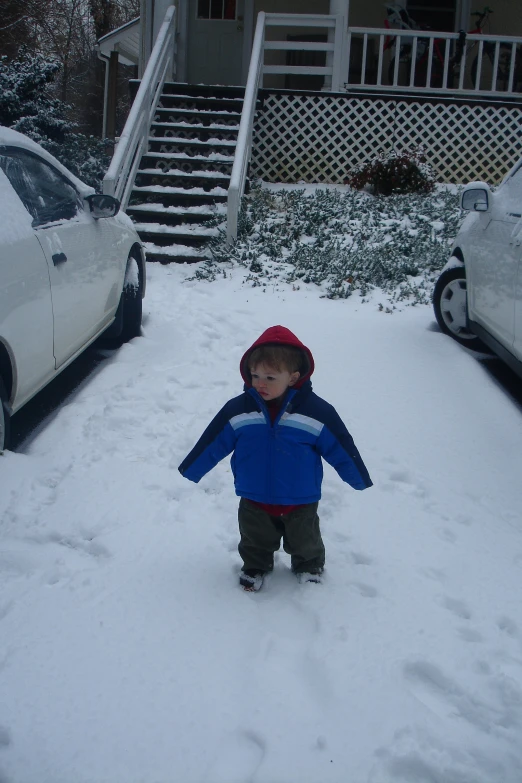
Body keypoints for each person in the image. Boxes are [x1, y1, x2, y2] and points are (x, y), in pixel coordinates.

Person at [178, 325, 372, 592]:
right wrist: (193, 468)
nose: (259, 383)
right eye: (255, 375)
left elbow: (340, 446)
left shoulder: (316, 413)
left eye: (270, 377)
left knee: (305, 539)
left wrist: (357, 477)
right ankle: (256, 565)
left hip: (300, 496)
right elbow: (214, 440)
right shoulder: (239, 410)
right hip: (254, 493)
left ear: (292, 378)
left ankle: (308, 565)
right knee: (254, 538)